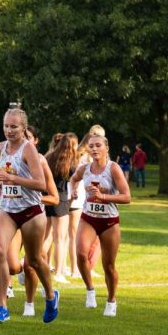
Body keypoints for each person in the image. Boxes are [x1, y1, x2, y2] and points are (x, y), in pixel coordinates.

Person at [0, 107, 58, 324]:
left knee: (35, 260)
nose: (9, 131)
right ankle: (2, 307)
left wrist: (13, 179)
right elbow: (4, 171)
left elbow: (41, 185)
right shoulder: (1, 148)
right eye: (6, 126)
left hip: (31, 211)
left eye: (14, 127)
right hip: (8, 209)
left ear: (23, 128)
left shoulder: (28, 150)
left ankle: (50, 295)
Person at [69, 134, 131, 315]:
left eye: (98, 146)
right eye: (91, 146)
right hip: (89, 217)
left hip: (109, 221)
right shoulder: (85, 169)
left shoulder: (114, 168)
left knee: (108, 266)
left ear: (106, 148)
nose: (94, 149)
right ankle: (90, 290)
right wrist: (73, 190)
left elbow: (126, 197)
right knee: (80, 253)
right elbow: (73, 179)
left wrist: (103, 196)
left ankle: (111, 301)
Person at [44, 133, 78, 285]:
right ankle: (59, 272)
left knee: (48, 236)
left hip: (47, 198)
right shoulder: (70, 162)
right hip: (61, 199)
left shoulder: (50, 157)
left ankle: (33, 262)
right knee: (61, 239)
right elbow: (74, 178)